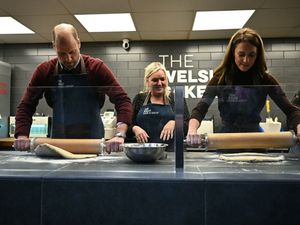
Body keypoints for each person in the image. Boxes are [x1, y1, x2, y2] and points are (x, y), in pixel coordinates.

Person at [13, 23, 132, 153]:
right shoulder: (44, 71)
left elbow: (122, 100)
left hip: (93, 142)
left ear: (79, 43)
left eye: (72, 52)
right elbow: (26, 106)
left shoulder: (96, 68)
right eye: (62, 54)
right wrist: (22, 135)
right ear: (54, 46)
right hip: (59, 142)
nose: (68, 59)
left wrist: (120, 134)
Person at [187, 27, 300, 145]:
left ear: (258, 55)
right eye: (241, 54)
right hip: (227, 139)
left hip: (255, 138)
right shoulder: (219, 79)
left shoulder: (266, 80)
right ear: (233, 53)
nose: (246, 60)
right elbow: (200, 109)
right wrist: (192, 129)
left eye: (252, 55)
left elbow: (291, 110)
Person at [127, 62, 190, 150]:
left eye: (162, 79)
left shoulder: (176, 98)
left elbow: (188, 126)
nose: (159, 83)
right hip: (145, 152)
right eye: (155, 80)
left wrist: (175, 122)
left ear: (167, 80)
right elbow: (128, 126)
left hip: (173, 153)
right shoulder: (140, 99)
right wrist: (135, 128)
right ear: (147, 81)